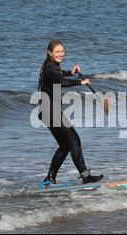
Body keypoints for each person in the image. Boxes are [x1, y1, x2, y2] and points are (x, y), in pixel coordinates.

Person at [37, 40, 103, 185]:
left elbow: (58, 75)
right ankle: (85, 176)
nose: (61, 54)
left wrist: (71, 72)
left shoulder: (50, 66)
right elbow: (60, 82)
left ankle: (50, 178)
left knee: (65, 145)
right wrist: (81, 82)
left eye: (62, 51)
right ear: (50, 53)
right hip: (50, 111)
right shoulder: (51, 68)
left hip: (46, 111)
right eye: (57, 52)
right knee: (74, 141)